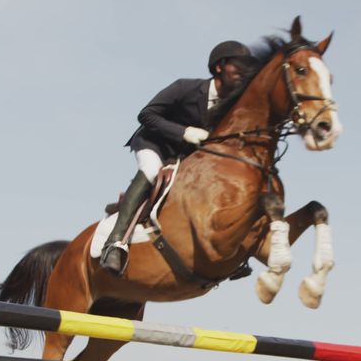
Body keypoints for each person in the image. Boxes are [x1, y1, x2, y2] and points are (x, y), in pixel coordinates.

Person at [100, 40, 253, 275]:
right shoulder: (186, 88)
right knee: (151, 170)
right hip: (154, 143)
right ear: (220, 67)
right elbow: (146, 115)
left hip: (183, 155)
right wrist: (185, 132)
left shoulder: (230, 108)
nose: (244, 73)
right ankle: (116, 242)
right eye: (238, 66)